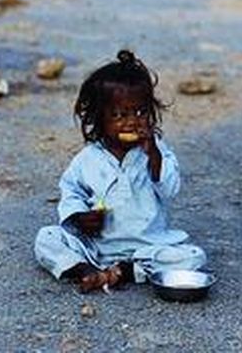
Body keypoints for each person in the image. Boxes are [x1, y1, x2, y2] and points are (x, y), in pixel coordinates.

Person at [34, 50, 196, 293]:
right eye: (119, 115)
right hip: (97, 247)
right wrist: (79, 217)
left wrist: (154, 155)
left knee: (192, 256)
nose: (131, 122)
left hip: (148, 246)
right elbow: (71, 191)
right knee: (47, 238)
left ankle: (125, 271)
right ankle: (84, 270)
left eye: (141, 112)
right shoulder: (88, 159)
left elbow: (170, 189)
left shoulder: (157, 151)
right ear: (98, 118)